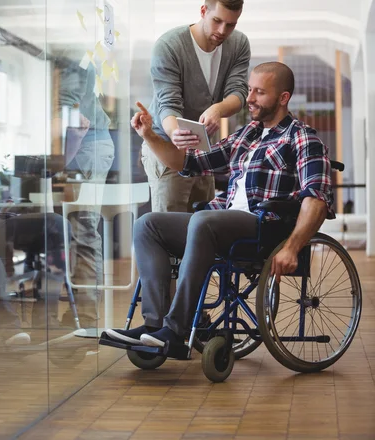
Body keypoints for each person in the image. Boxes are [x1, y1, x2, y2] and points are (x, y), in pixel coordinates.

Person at [104, 62, 334, 351]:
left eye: (259, 92)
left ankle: (176, 331)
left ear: (283, 97)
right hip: (222, 223)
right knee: (148, 224)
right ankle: (155, 324)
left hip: (265, 226)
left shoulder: (302, 137)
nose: (249, 98)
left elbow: (318, 198)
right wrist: (148, 135)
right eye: (249, 89)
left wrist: (292, 247)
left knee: (204, 220)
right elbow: (187, 163)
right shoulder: (247, 135)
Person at [144, 0, 250, 212]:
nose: (222, 31)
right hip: (167, 146)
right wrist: (176, 134)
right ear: (203, 11)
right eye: (217, 21)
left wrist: (218, 109)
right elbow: (168, 103)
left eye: (230, 25)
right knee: (170, 231)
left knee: (204, 226)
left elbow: (239, 92)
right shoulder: (169, 46)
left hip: (202, 151)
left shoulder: (239, 44)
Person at [0, 152, 69, 344]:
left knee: (56, 224)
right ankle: (7, 324)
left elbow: (2, 191)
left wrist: (9, 205)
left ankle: (46, 320)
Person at [54, 52, 115, 326]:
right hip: (85, 145)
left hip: (86, 146)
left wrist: (59, 164)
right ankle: (81, 312)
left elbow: (77, 120)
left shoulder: (70, 56)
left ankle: (87, 317)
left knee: (83, 230)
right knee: (74, 230)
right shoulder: (66, 56)